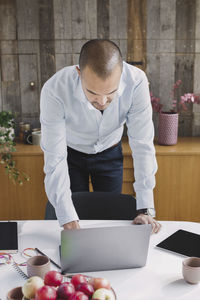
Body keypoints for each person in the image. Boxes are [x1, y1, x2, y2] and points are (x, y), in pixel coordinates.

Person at [40, 39, 161, 233]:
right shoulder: (55, 89)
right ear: (79, 73)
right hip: (70, 154)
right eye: (92, 93)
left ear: (121, 74)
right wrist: (66, 217)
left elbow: (142, 144)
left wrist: (145, 208)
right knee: (73, 217)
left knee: (109, 218)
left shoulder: (136, 81)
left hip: (110, 152)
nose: (103, 101)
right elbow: (54, 157)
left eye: (111, 93)